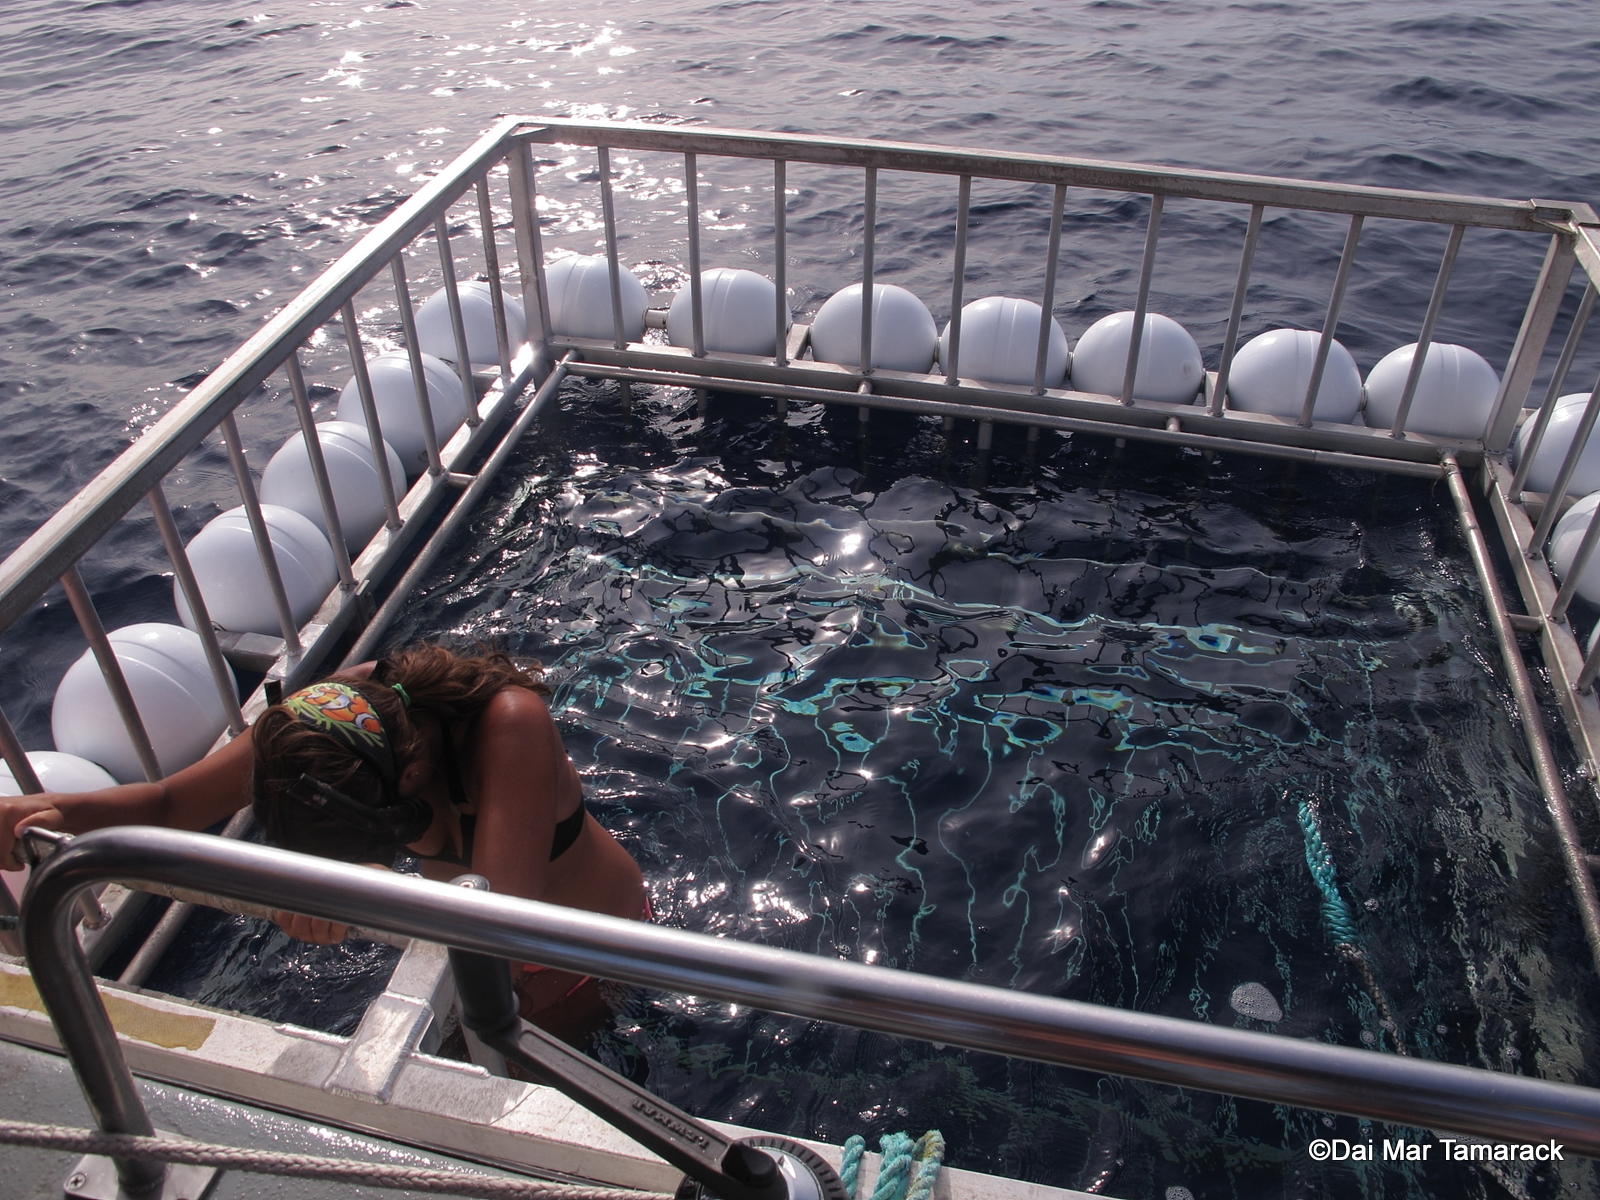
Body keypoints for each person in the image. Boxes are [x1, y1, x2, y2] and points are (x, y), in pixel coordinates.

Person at [0, 644, 646, 1034]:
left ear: (411, 779)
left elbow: (498, 944)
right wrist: (48, 808)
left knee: (480, 1072)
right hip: (476, 942)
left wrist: (352, 891)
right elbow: (172, 802)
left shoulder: (510, 727)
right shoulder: (323, 718)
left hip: (579, 953)